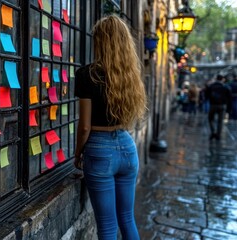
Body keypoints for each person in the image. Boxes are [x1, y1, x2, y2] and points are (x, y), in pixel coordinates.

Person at [74, 15, 147, 240]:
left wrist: (78, 153)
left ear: (100, 41)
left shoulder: (87, 74)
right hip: (127, 146)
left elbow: (85, 126)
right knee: (127, 218)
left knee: (106, 226)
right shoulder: (129, 76)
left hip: (99, 150)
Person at [205, 74, 232, 140]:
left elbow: (207, 95)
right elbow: (229, 98)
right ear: (222, 79)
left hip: (213, 105)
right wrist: (229, 108)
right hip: (222, 105)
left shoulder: (211, 86)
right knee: (220, 121)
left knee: (211, 119)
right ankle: (218, 135)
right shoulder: (225, 87)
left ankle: (213, 131)